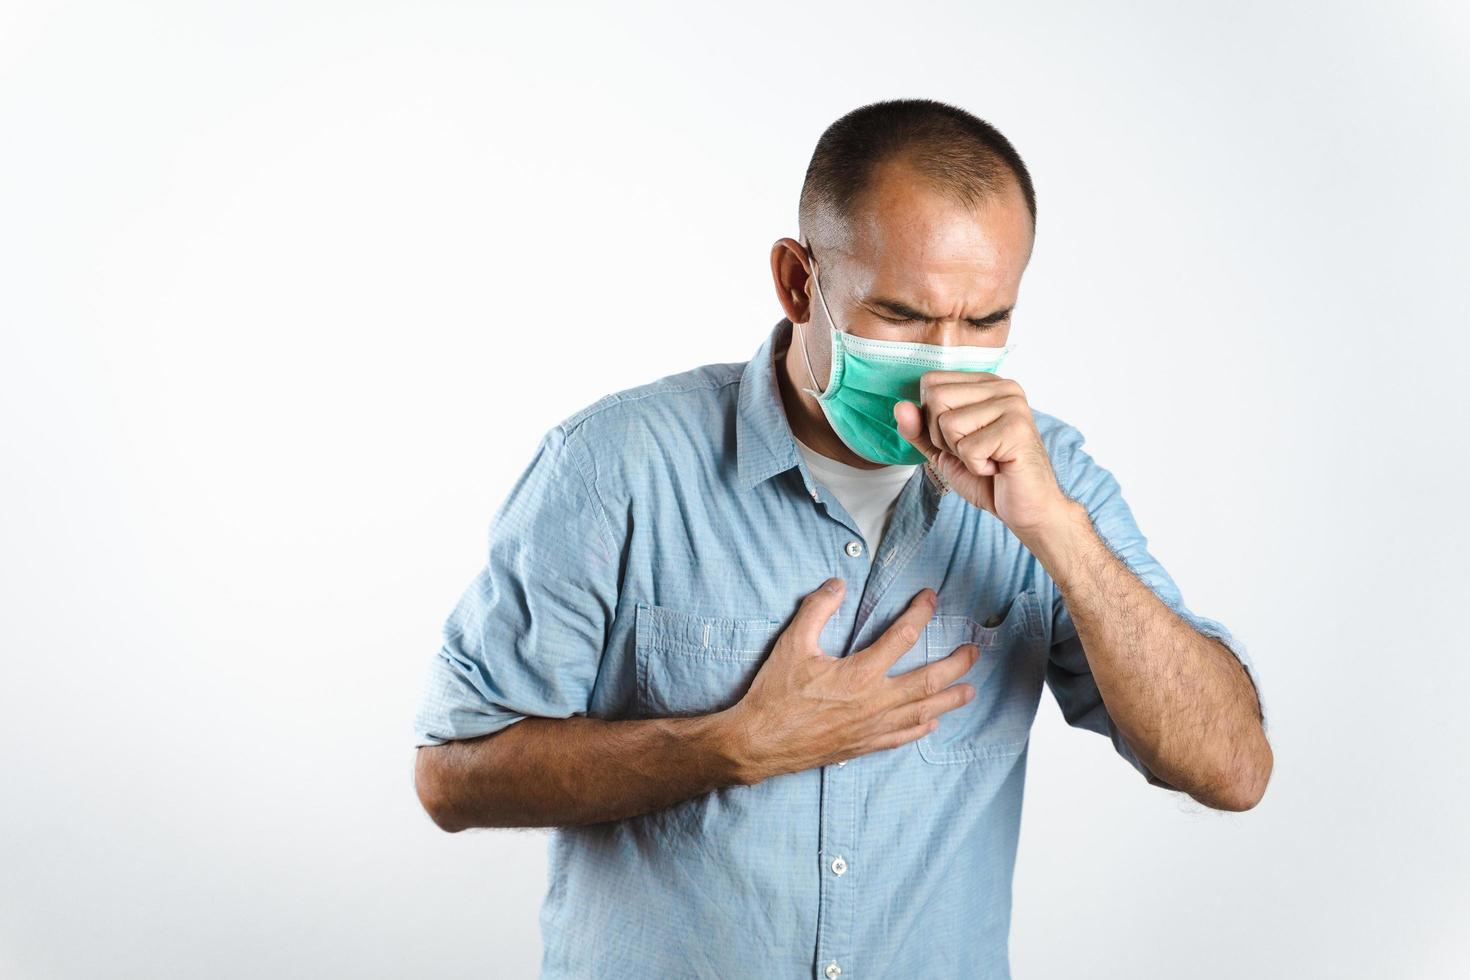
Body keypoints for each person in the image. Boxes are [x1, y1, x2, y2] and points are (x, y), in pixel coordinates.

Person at [411, 98, 1271, 979]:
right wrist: (728, 745)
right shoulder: (613, 467)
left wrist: (1057, 534)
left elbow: (1233, 771)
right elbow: (452, 775)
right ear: (797, 284)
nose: (944, 364)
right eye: (901, 315)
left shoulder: (1051, 483)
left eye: (984, 323)